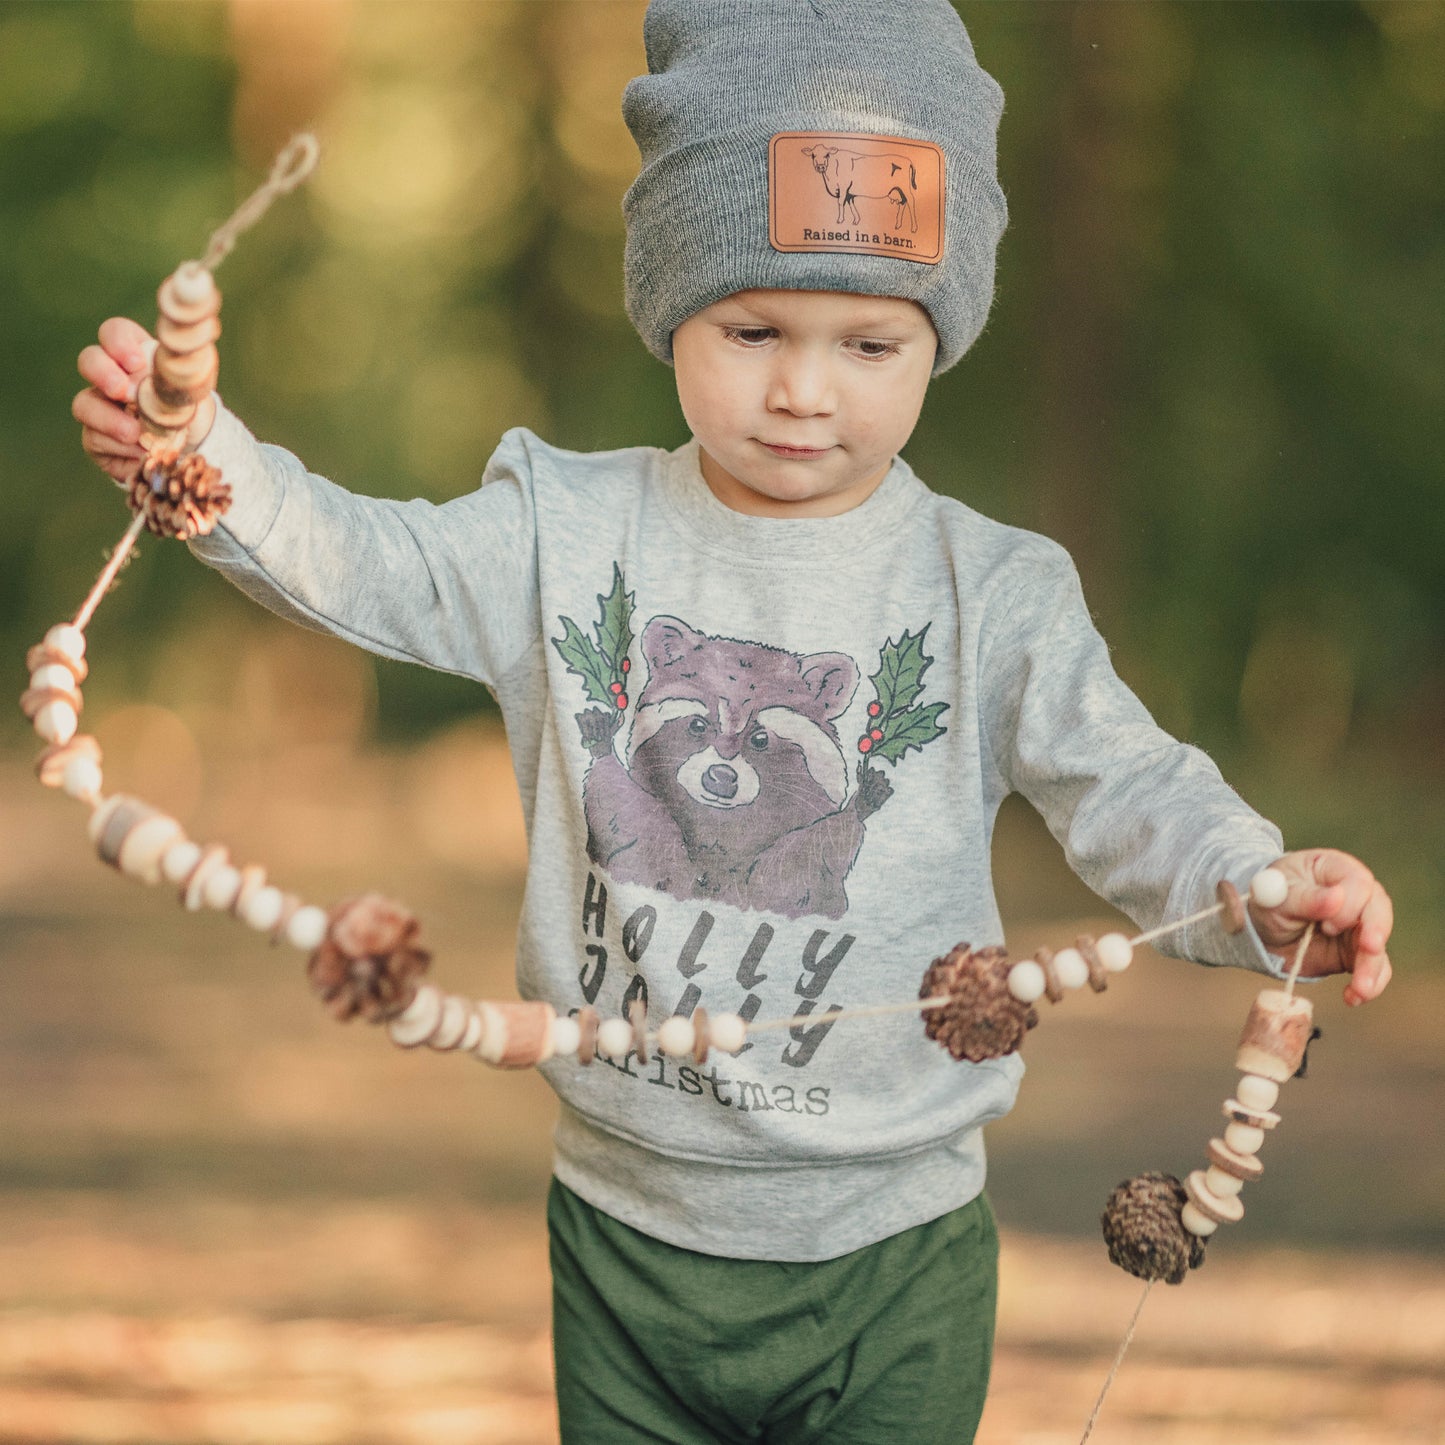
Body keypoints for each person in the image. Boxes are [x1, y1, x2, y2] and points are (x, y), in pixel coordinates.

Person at [73, 2, 1393, 1439]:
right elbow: (368, 562)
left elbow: (1126, 783)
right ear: (670, 300)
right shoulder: (564, 535)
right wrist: (204, 461)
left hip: (893, 1254)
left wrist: (1261, 888)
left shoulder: (990, 590)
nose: (802, 391)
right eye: (753, 325)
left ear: (934, 335)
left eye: (869, 343)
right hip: (625, 1237)